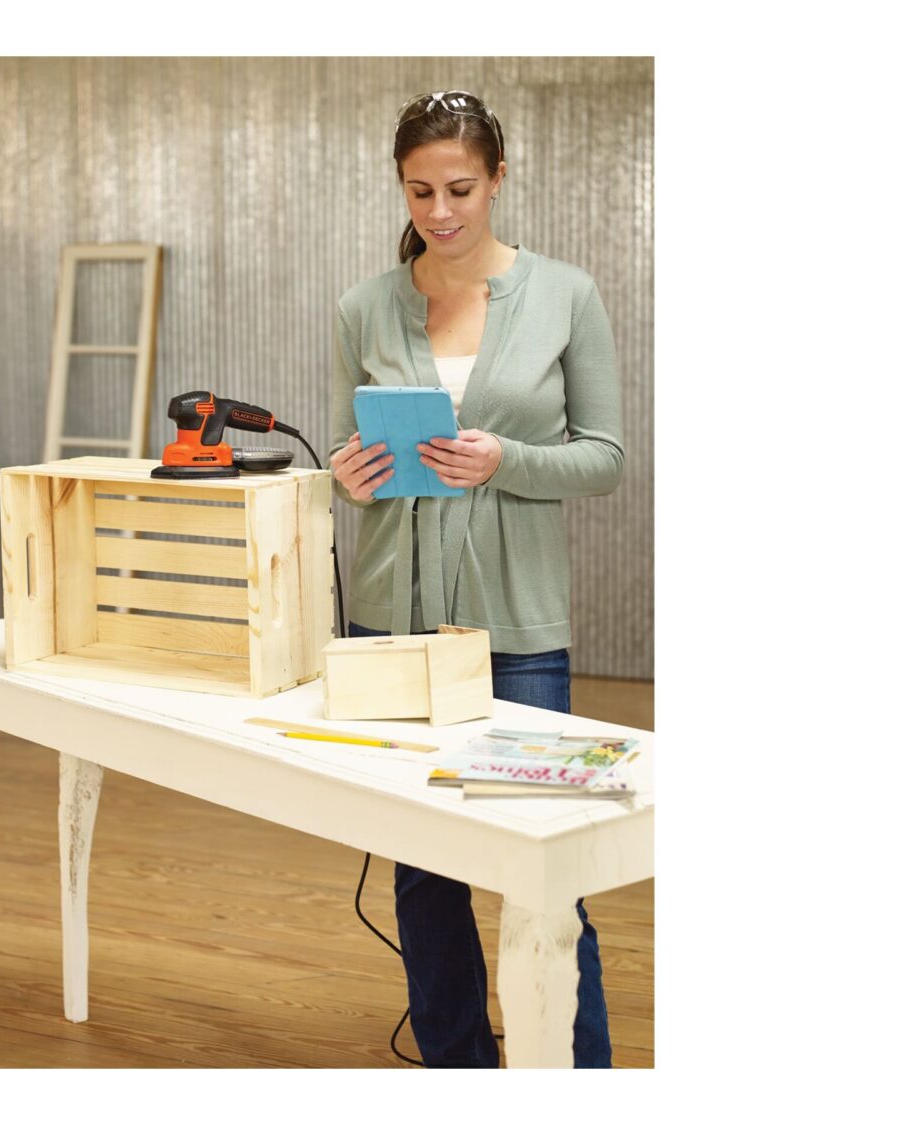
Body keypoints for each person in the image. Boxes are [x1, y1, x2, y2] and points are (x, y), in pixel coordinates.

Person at [327, 90, 625, 1068]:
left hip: (518, 626)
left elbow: (607, 457)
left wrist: (507, 460)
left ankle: (577, 1077)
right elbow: (348, 453)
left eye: (459, 188)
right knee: (423, 869)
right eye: (420, 191)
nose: (440, 210)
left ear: (498, 177)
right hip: (393, 621)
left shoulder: (566, 295)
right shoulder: (365, 307)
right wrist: (349, 476)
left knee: (547, 864)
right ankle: (459, 1068)